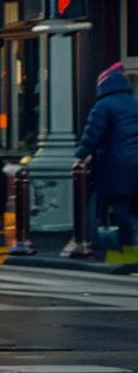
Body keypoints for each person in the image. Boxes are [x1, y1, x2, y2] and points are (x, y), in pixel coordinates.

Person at [77, 63, 138, 255]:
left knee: (116, 205)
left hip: (115, 163)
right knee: (130, 206)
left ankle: (122, 250)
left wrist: (80, 154)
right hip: (135, 162)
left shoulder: (103, 105)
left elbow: (92, 133)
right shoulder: (134, 103)